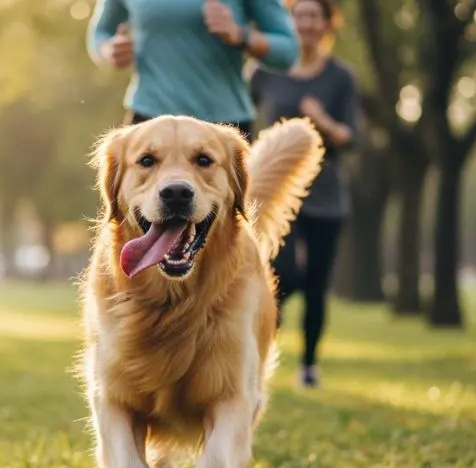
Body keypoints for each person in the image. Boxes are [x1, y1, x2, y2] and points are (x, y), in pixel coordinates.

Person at [249, 0, 358, 389]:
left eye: (314, 16)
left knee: (316, 285)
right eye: (298, 16)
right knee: (281, 274)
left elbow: (350, 138)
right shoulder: (265, 72)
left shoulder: (341, 77)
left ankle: (309, 364)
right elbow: (242, 123)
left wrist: (323, 120)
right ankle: (260, 354)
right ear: (288, 23)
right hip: (276, 191)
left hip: (326, 195)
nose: (306, 24)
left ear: (328, 24)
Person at [87, 0, 300, 143]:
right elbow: (101, 32)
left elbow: (288, 51)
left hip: (224, 127)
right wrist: (110, 50)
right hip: (149, 118)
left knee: (232, 212)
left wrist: (241, 35)